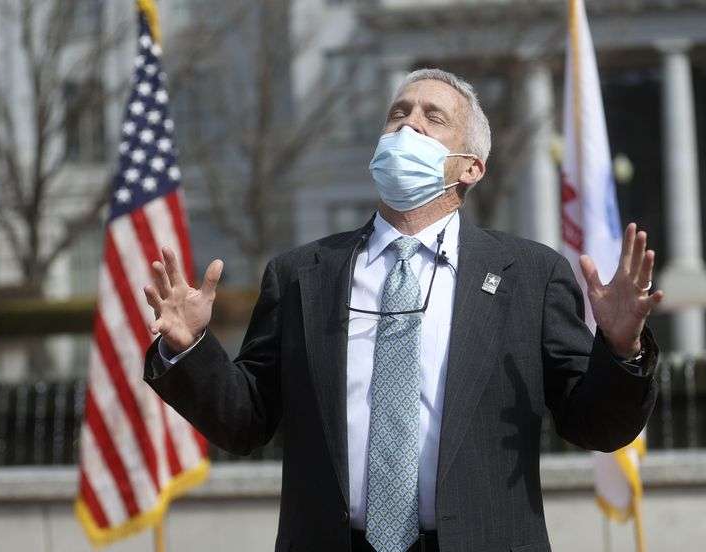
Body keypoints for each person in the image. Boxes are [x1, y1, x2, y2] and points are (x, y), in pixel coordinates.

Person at [142, 68, 663, 552]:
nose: (408, 123)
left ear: (471, 167)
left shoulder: (529, 276)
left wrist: (621, 349)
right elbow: (245, 421)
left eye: (432, 117)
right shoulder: (302, 274)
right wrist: (188, 350)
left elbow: (597, 426)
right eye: (399, 113)